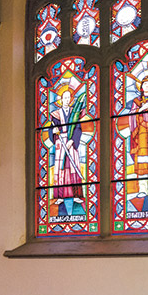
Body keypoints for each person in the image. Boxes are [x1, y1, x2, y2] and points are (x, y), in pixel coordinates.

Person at [49, 88, 86, 216]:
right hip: (60, 143)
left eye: (68, 97)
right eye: (64, 98)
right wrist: (53, 132)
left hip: (71, 144)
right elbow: (52, 128)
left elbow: (78, 128)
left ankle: (76, 195)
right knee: (60, 169)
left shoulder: (74, 113)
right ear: (60, 100)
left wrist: (72, 141)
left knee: (72, 169)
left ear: (71, 100)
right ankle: (60, 197)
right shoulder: (56, 114)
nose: (66, 100)